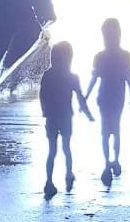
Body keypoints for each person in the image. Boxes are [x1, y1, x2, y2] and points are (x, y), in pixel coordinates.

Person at [39, 40, 93, 197]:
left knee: (52, 151)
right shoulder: (72, 77)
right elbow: (80, 98)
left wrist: (45, 111)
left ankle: (49, 181)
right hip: (66, 116)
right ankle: (69, 175)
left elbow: (42, 95)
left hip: (51, 117)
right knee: (66, 148)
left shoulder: (47, 75)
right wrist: (88, 114)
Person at [86, 17, 130, 187]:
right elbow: (127, 77)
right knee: (112, 129)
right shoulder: (120, 55)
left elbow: (127, 77)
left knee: (108, 130)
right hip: (111, 96)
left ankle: (110, 161)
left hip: (109, 96)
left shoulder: (105, 56)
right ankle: (112, 161)